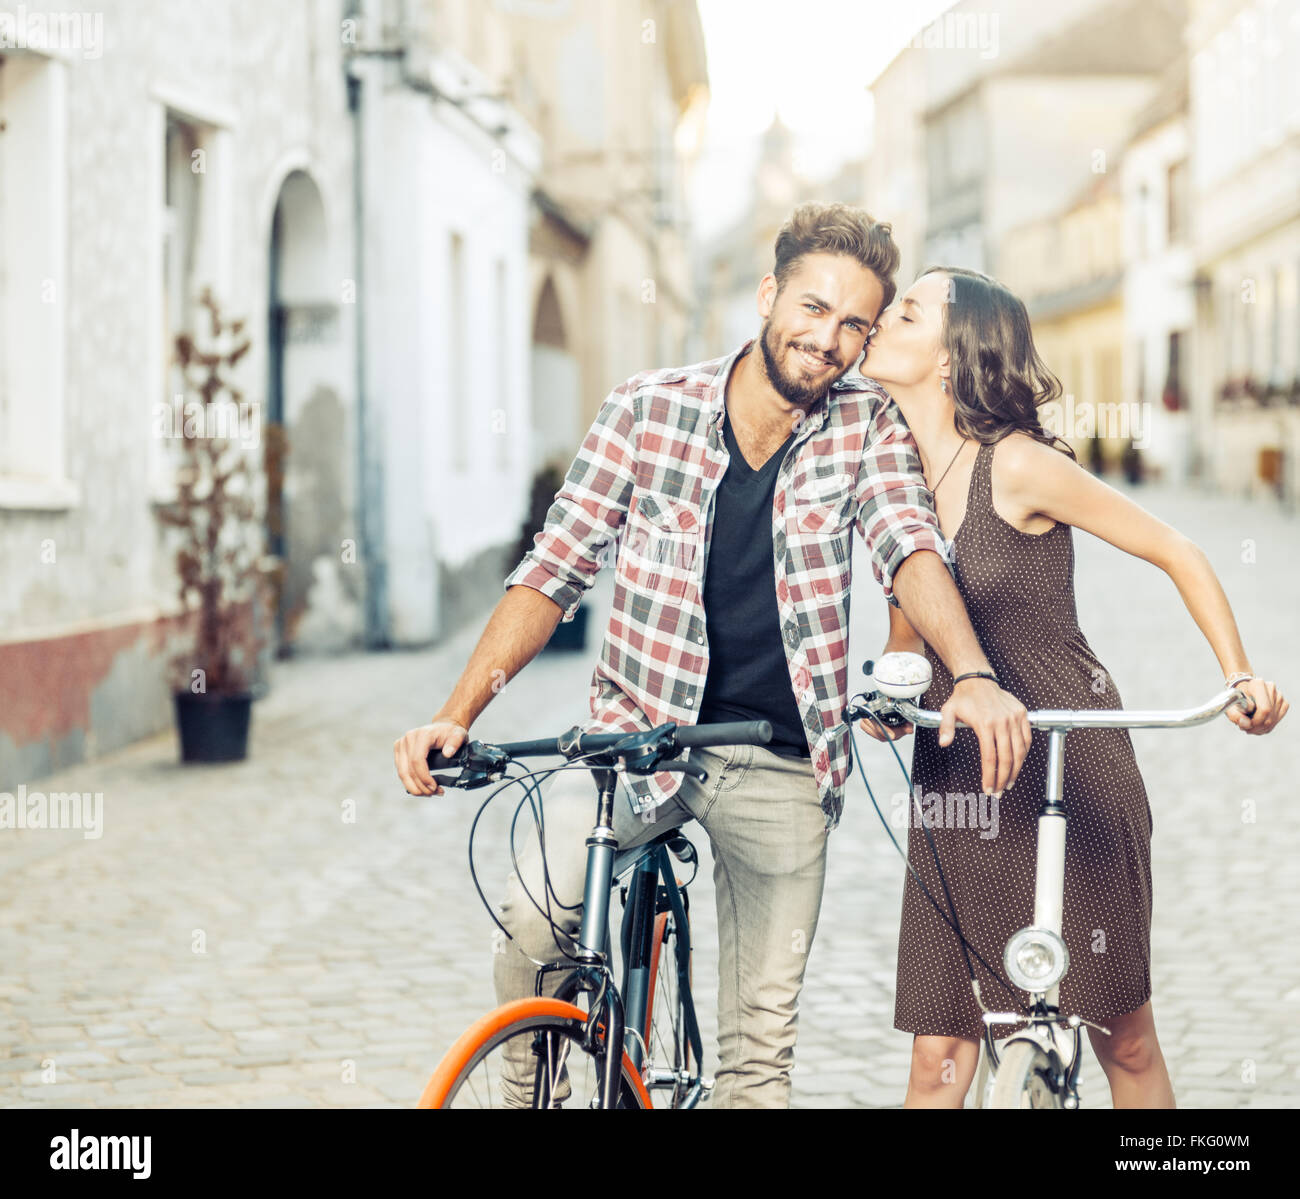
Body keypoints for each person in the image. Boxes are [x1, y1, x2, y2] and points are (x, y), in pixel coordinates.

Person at [394, 204, 1032, 1107]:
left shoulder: (866, 426)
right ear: (768, 294)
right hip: (635, 739)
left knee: (757, 1055)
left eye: (856, 323)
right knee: (537, 918)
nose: (830, 340)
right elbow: (553, 570)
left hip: (780, 757)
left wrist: (969, 670)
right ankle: (525, 1074)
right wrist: (456, 714)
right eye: (813, 309)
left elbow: (908, 544)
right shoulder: (646, 410)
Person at [857, 265, 1289, 1109]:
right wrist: (888, 692)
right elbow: (905, 637)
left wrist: (1236, 672)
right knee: (937, 1055)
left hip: (1067, 763)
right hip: (957, 781)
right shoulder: (897, 482)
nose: (880, 322)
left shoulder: (1014, 466)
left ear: (949, 358)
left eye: (905, 312)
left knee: (1122, 1038)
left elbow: (1176, 548)